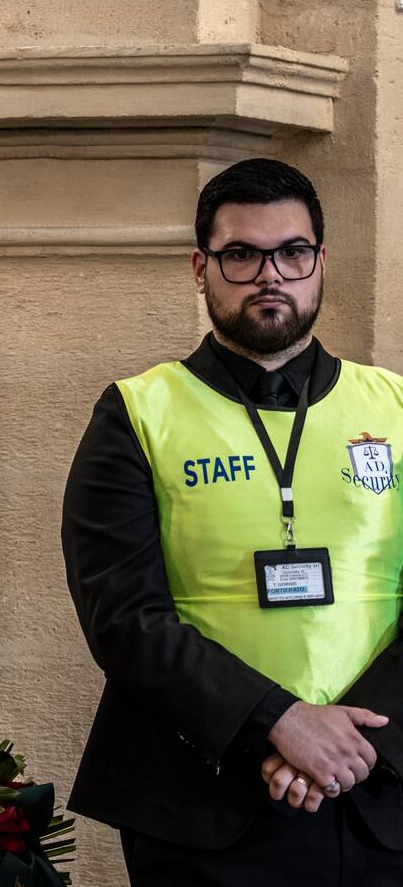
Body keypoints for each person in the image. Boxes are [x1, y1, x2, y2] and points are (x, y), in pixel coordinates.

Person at [63, 158, 403, 883]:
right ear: (201, 268)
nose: (269, 275)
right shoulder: (137, 413)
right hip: (200, 801)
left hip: (381, 791)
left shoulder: (396, 409)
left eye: (292, 252)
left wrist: (354, 740)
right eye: (241, 254)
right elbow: (122, 618)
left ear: (321, 262)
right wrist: (281, 721)